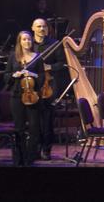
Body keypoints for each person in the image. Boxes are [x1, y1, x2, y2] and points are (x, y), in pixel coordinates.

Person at [5, 30, 45, 166]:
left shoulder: (38, 57)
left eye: (29, 39)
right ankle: (19, 157)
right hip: (17, 96)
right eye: (24, 39)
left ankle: (30, 157)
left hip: (32, 96)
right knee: (19, 129)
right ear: (19, 42)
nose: (27, 42)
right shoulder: (13, 57)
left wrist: (32, 74)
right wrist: (13, 75)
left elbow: (42, 76)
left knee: (34, 128)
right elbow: (6, 76)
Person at [31, 17, 66, 159]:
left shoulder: (54, 44)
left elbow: (61, 64)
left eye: (44, 26)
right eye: (38, 26)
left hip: (48, 86)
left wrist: (49, 66)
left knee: (47, 120)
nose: (41, 29)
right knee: (34, 121)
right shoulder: (28, 44)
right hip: (31, 86)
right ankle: (35, 148)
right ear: (33, 28)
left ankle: (46, 150)